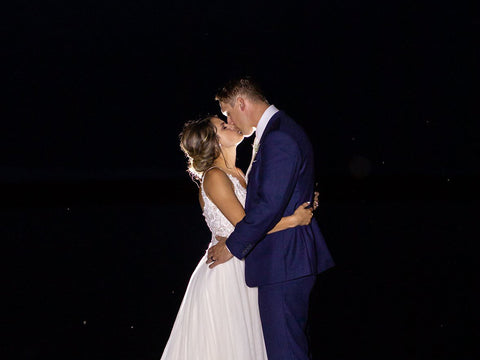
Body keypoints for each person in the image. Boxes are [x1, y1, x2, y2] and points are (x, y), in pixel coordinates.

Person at [160, 116, 316, 360]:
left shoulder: (238, 173)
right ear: (214, 142)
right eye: (223, 126)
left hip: (246, 266)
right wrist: (294, 220)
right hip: (225, 274)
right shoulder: (214, 177)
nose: (231, 124)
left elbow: (264, 212)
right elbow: (246, 226)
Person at [207, 78, 335, 360]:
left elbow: (267, 206)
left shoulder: (279, 136)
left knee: (286, 353)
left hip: (283, 262)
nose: (230, 120)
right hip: (283, 261)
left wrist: (230, 247)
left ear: (242, 103)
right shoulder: (279, 131)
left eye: (228, 113)